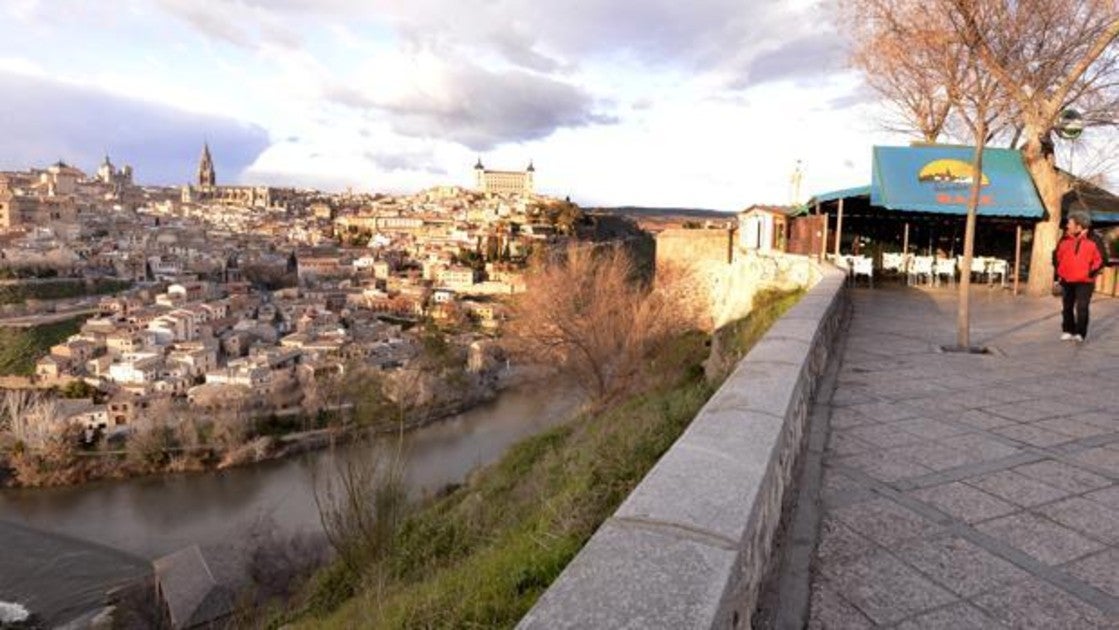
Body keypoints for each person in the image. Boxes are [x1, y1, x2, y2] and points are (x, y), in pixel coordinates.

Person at [1052, 211, 1109, 342]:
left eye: (1070, 223)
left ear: (1080, 226)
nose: (1067, 226)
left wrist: (1090, 272)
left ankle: (1080, 333)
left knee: (1082, 307)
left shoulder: (1094, 239)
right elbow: (1056, 256)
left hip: (1085, 281)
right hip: (1067, 279)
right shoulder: (1064, 238)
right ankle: (1067, 330)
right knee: (1067, 306)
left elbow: (1101, 259)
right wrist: (1060, 272)